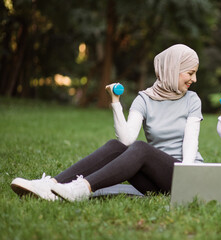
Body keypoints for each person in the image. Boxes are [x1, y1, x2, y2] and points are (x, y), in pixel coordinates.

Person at [10, 44, 203, 202]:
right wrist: (115, 102)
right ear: (173, 69)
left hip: (185, 175)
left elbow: (191, 141)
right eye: (190, 73)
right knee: (116, 146)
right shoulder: (144, 99)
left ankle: (82, 189)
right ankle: (50, 186)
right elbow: (126, 140)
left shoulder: (192, 100)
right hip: (154, 183)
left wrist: (185, 177)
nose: (194, 79)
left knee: (142, 149)